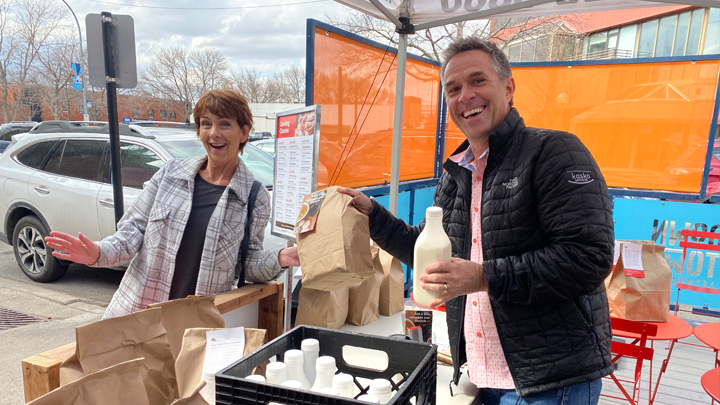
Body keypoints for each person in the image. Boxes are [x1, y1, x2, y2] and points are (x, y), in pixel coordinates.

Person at [339, 37, 614, 405]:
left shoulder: (554, 151)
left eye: (477, 81)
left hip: (550, 381)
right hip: (479, 377)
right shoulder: (457, 172)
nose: (465, 95)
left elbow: (587, 258)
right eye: (453, 88)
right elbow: (426, 249)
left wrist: (483, 277)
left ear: (508, 87)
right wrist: (373, 215)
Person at [45, 89, 300, 319]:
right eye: (206, 124)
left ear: (244, 132)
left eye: (224, 124)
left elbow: (248, 264)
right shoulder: (170, 174)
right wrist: (98, 253)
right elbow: (131, 232)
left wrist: (281, 257)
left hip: (196, 326)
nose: (214, 133)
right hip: (140, 314)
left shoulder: (254, 197)